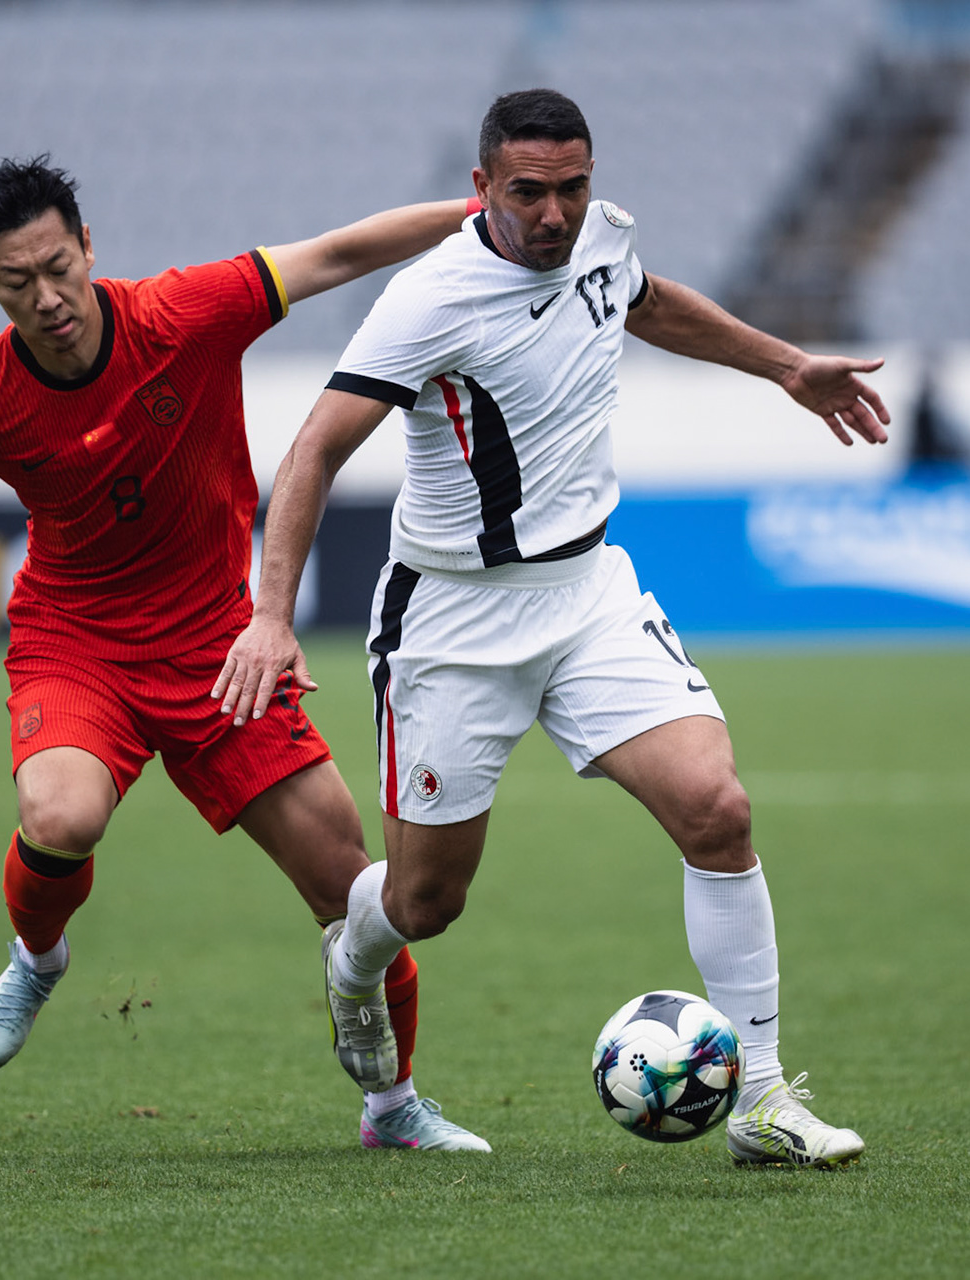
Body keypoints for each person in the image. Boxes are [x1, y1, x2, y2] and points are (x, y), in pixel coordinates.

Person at [0, 156, 491, 1152]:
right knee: (61, 813)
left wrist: (482, 211)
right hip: (80, 645)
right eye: (18, 280)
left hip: (217, 650)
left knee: (356, 889)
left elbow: (336, 252)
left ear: (88, 248)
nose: (48, 296)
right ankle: (38, 955)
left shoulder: (186, 312)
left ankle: (393, 1107)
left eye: (58, 265)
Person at [217, 90, 888, 1167]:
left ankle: (763, 1099)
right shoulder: (430, 298)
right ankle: (355, 962)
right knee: (426, 901)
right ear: (482, 188)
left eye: (572, 187)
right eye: (529, 191)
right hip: (452, 621)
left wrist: (786, 365)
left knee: (718, 808)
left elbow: (648, 301)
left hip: (588, 594)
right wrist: (268, 615)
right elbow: (314, 448)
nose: (556, 212)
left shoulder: (602, 236)